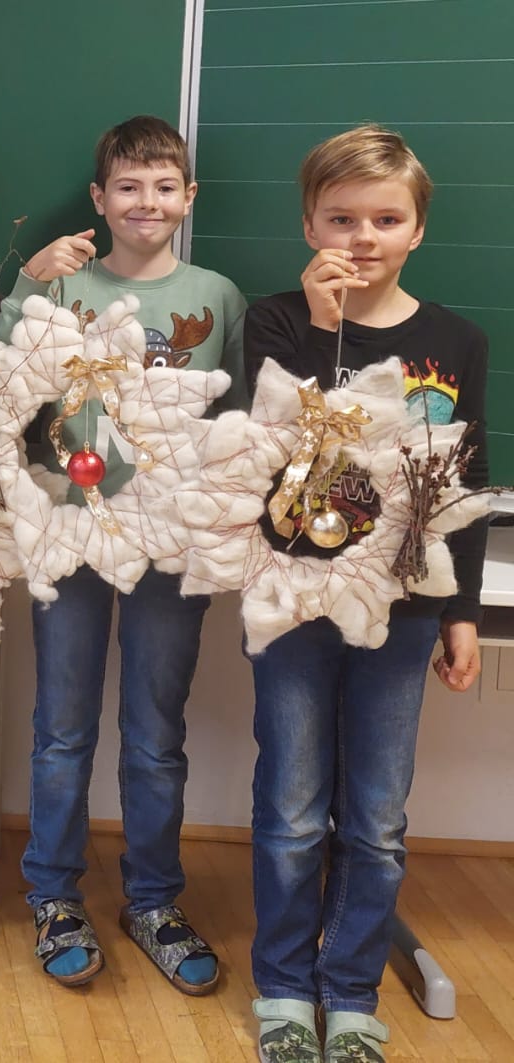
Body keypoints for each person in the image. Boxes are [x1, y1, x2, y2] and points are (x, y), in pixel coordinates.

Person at [243, 124, 487, 1063]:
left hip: (405, 606)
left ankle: (349, 991)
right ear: (309, 224)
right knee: (292, 808)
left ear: (418, 229)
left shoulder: (455, 340)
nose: (362, 237)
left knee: (377, 819)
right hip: (294, 599)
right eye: (341, 218)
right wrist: (320, 328)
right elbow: (268, 447)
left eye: (386, 219)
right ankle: (282, 986)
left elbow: (466, 482)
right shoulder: (276, 323)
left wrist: (461, 610)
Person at [0, 114, 244, 994]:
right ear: (99, 199)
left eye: (165, 186)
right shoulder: (63, 283)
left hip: (170, 542)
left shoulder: (218, 296)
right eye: (128, 186)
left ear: (189, 197)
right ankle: (54, 894)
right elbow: (1, 379)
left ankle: (153, 900)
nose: (147, 201)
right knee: (62, 727)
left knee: (155, 730)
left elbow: (238, 422)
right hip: (72, 531)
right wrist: (26, 284)